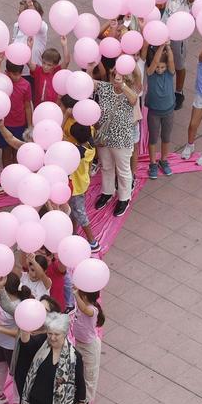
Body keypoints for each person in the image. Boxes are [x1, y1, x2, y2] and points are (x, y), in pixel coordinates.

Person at [18, 312, 88, 404]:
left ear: (65, 334)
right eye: (50, 333)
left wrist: (82, 402)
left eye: (57, 334)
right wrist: (24, 328)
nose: (52, 337)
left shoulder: (74, 357)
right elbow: (26, 344)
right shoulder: (41, 345)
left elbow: (79, 380)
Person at [6, 296, 62, 404]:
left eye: (44, 310)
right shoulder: (28, 321)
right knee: (24, 397)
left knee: (33, 401)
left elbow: (29, 344)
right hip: (21, 369)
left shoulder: (50, 335)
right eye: (38, 306)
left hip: (38, 374)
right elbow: (8, 306)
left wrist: (25, 330)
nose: (38, 311)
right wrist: (0, 289)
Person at [92, 67, 137, 216]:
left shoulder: (129, 92)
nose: (116, 80)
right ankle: (107, 192)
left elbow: (134, 100)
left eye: (121, 77)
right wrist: (91, 68)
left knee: (123, 170)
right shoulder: (105, 88)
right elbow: (88, 83)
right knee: (106, 166)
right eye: (114, 76)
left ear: (127, 79)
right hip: (104, 137)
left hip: (121, 139)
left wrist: (123, 86)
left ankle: (124, 198)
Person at [0, 274, 32, 404]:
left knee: (16, 374)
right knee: (0, 367)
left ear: (6, 288)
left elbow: (20, 333)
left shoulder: (18, 307)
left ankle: (17, 403)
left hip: (12, 347)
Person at [160, 0, 195, 108]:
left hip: (177, 39)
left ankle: (179, 92)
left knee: (179, 65)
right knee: (162, 62)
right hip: (162, 35)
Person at [66, 122, 100, 252]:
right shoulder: (90, 146)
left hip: (76, 187)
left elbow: (61, 139)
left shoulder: (77, 152)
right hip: (82, 183)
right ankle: (73, 233)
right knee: (75, 211)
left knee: (80, 213)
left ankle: (93, 242)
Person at [145, 42, 176, 177]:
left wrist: (168, 47)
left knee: (166, 137)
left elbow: (170, 60)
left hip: (168, 111)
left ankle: (164, 160)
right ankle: (152, 164)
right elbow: (156, 61)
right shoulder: (150, 73)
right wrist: (162, 47)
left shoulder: (170, 72)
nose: (159, 69)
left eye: (162, 67)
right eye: (157, 66)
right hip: (154, 112)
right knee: (153, 139)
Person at [0, 61, 33, 171]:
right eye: (14, 74)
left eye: (19, 74)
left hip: (20, 124)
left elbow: (27, 106)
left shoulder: (26, 85)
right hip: (3, 124)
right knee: (6, 150)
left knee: (18, 151)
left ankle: (17, 174)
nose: (17, 77)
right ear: (7, 72)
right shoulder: (1, 82)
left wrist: (30, 125)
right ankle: (6, 174)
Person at [72, 289, 105, 404]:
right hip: (79, 343)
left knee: (90, 374)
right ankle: (79, 395)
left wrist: (76, 295)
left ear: (85, 297)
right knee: (79, 370)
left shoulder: (93, 310)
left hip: (90, 347)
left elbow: (84, 310)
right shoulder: (82, 304)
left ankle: (86, 400)